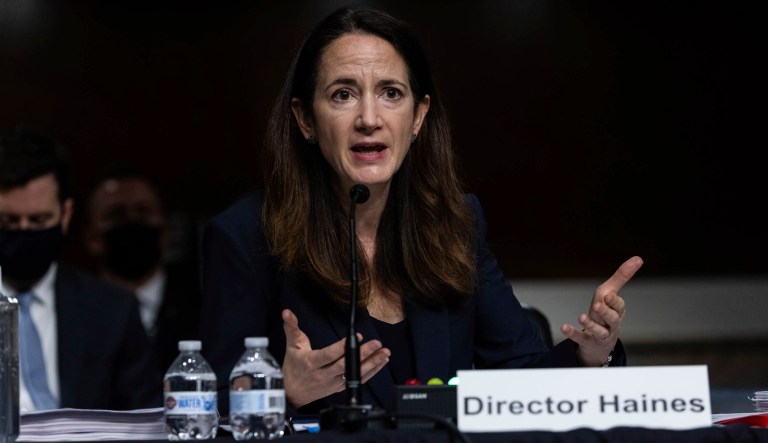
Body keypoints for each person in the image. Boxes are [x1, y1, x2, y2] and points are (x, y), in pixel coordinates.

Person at [199, 6, 643, 415]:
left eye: (391, 93)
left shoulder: (455, 224)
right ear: (305, 120)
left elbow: (519, 375)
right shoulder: (246, 236)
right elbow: (201, 406)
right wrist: (283, 392)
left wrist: (590, 354)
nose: (369, 118)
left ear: (417, 117)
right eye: (342, 95)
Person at [0, 130, 161, 411]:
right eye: (9, 221)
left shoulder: (112, 310)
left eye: (39, 220)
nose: (24, 232)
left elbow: (146, 418)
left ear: (66, 215)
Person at [82, 167, 203, 373]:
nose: (132, 222)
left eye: (143, 212)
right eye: (116, 215)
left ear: (165, 232)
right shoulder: (75, 310)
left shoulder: (203, 302)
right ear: (92, 238)